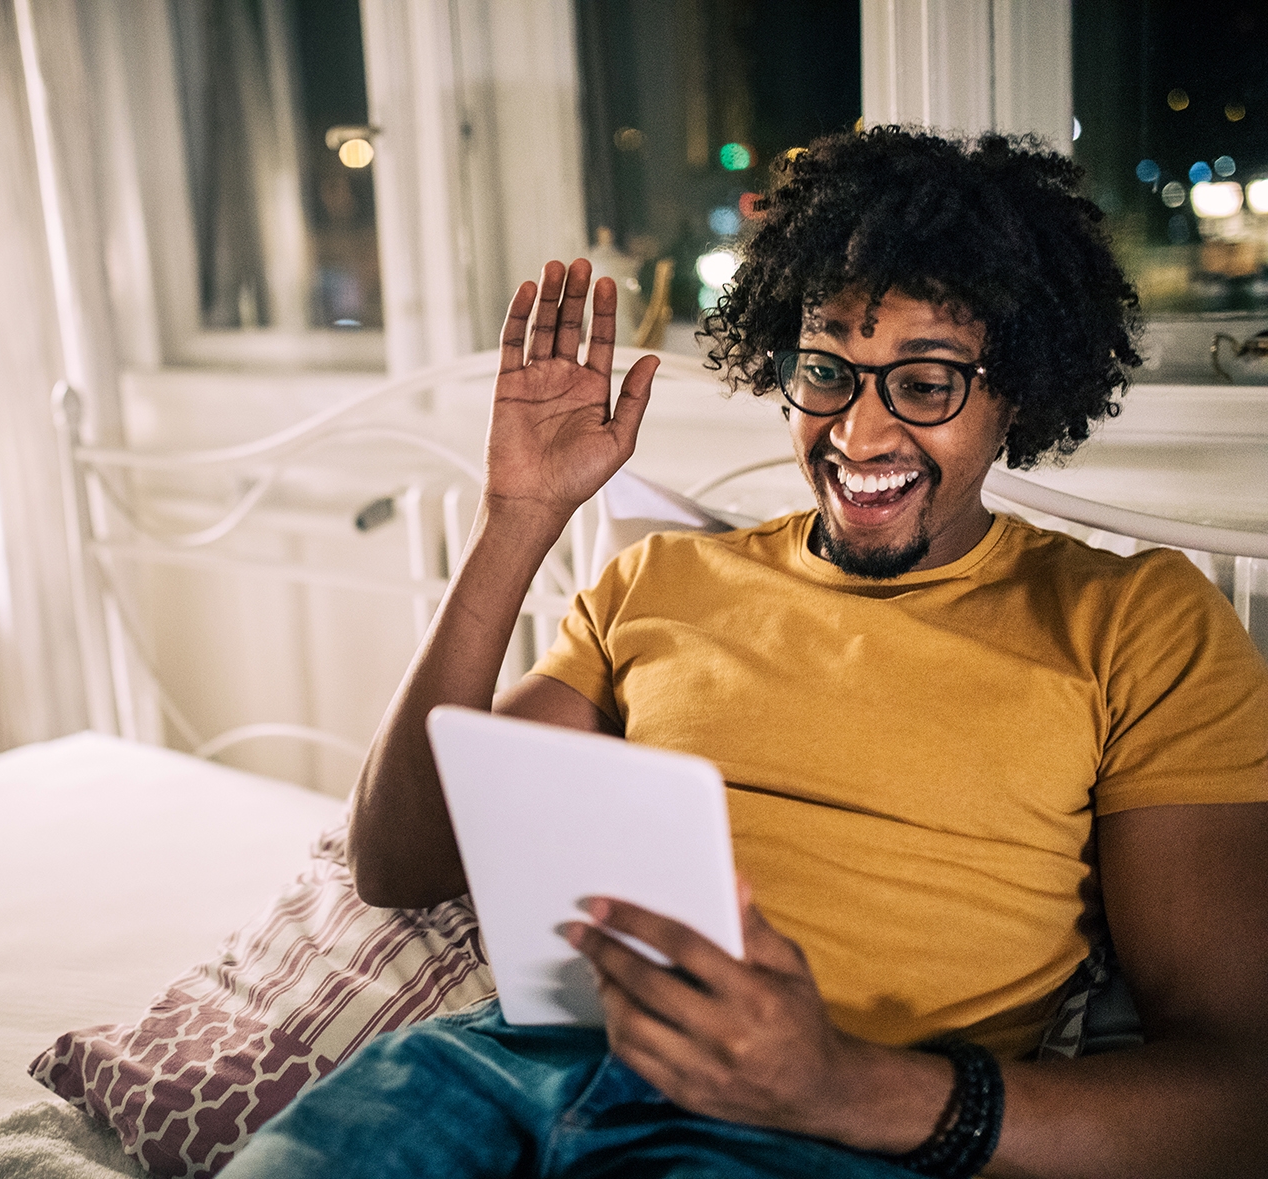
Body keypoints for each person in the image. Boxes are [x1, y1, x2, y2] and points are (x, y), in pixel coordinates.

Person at [219, 129, 1268, 1178]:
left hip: (819, 1130)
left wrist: (837, 1085)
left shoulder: (1133, 623)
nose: (858, 434)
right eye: (826, 372)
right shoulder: (657, 581)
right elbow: (396, 862)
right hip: (500, 1073)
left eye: (924, 382)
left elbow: (1235, 1097)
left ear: (1020, 393)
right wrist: (514, 519)